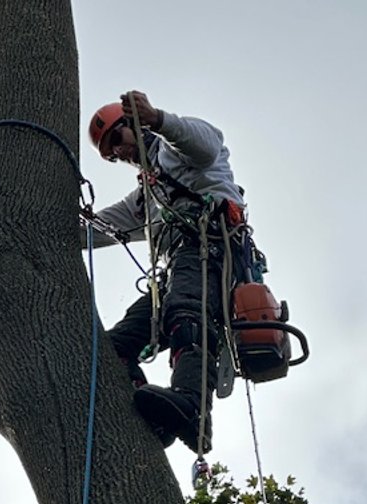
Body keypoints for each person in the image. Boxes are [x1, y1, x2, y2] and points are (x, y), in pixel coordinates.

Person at [87, 90, 247, 455]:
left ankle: (193, 409)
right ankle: (150, 415)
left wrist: (158, 118)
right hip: (175, 271)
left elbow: (207, 144)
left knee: (185, 313)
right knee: (114, 346)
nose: (120, 152)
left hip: (212, 248)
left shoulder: (176, 151)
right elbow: (98, 228)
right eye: (113, 154)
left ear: (134, 125)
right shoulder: (147, 196)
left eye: (119, 138)